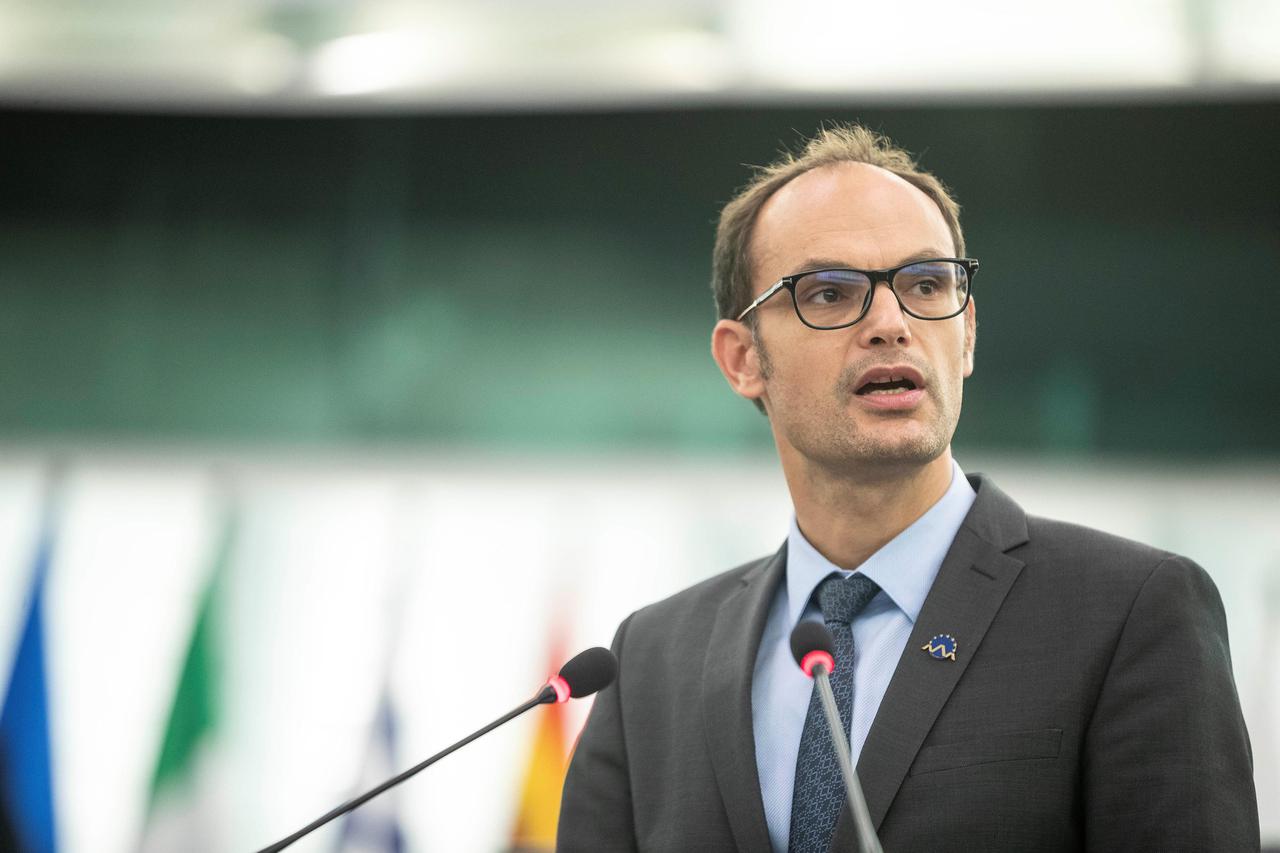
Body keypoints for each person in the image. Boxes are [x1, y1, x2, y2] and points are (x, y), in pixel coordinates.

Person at [556, 124, 1259, 852]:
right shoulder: (649, 660)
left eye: (926, 285)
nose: (890, 324)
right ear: (743, 359)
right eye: (830, 293)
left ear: (968, 333)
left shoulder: (1129, 612)